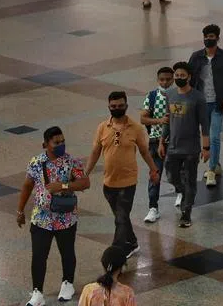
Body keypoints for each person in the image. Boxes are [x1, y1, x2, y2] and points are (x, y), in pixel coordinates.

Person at [17, 126, 89, 306]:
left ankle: (67, 283)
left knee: (67, 252)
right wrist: (20, 210)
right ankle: (37, 292)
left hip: (66, 218)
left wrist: (64, 186)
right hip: (41, 218)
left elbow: (85, 183)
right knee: (39, 256)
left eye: (63, 141)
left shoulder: (71, 162)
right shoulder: (36, 162)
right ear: (45, 144)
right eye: (57, 142)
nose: (61, 145)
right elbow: (27, 186)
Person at [84, 92, 159, 258]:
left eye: (120, 106)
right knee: (121, 217)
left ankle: (116, 252)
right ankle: (132, 243)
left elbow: (145, 152)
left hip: (128, 181)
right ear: (109, 107)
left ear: (126, 106)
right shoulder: (102, 127)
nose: (117, 109)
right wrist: (86, 173)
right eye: (113, 106)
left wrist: (154, 170)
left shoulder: (136, 128)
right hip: (109, 183)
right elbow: (95, 152)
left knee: (120, 218)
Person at [159, 61, 210, 228]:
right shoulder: (171, 94)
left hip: (191, 148)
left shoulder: (198, 97)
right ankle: (183, 192)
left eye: (182, 75)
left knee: (190, 182)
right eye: (177, 75)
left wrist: (206, 147)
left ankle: (186, 213)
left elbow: (204, 124)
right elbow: (167, 120)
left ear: (189, 77)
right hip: (173, 146)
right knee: (171, 176)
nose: (179, 78)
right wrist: (161, 141)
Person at [187, 24, 223, 186]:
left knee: (214, 136)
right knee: (205, 136)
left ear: (217, 38)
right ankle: (216, 164)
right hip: (200, 104)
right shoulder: (196, 57)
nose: (208, 39)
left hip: (217, 104)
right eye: (206, 37)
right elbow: (188, 79)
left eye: (211, 37)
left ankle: (211, 169)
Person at [140, 66, 176, 223]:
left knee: (175, 172)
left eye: (168, 79)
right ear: (158, 80)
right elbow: (143, 119)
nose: (165, 82)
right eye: (162, 79)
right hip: (155, 140)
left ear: (173, 79)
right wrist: (159, 121)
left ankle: (180, 192)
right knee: (155, 174)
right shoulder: (152, 96)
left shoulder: (178, 95)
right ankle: (153, 208)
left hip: (175, 140)